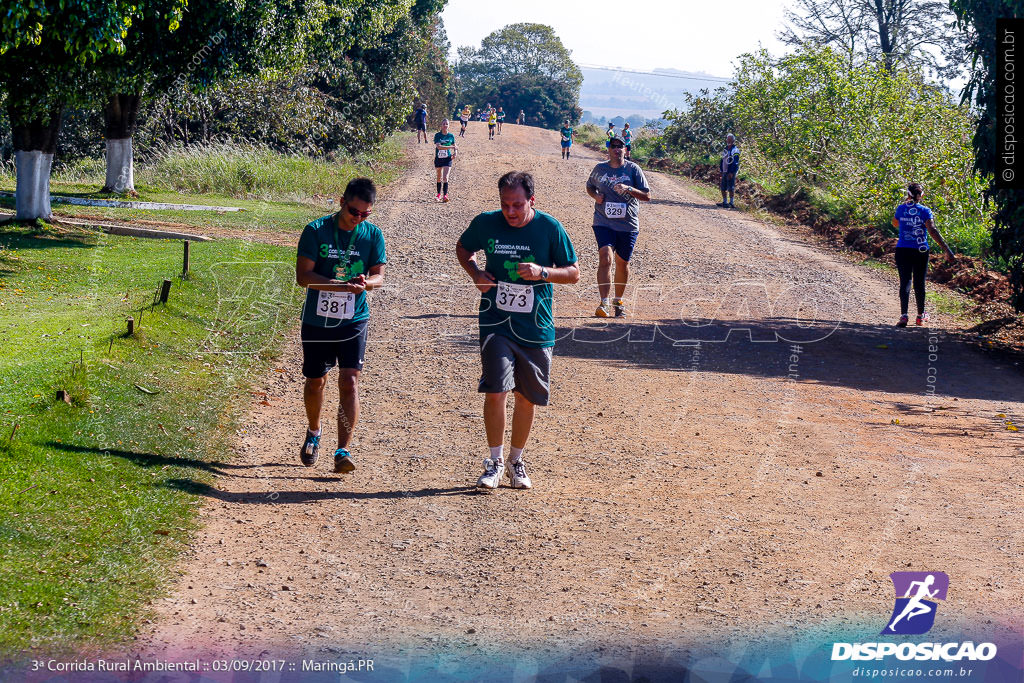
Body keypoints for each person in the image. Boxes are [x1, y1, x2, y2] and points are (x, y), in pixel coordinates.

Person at [456, 171, 580, 490]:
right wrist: (475, 273)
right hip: (495, 321)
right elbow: (463, 249)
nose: (510, 211)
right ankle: (495, 461)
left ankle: (515, 461)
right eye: (505, 204)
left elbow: (573, 273)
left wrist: (543, 272)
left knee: (526, 398)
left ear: (531, 201)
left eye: (517, 205)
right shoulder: (486, 223)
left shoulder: (550, 228)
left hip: (536, 327)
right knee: (496, 389)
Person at [296, 177, 387, 474]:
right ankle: (314, 430)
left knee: (349, 381)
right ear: (341, 202)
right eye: (353, 212)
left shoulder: (373, 235)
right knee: (316, 381)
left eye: (365, 214)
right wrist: (337, 285)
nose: (358, 218)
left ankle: (342, 450)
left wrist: (364, 284)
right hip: (318, 321)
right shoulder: (316, 230)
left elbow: (379, 276)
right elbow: (303, 276)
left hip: (354, 318)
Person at [586, 135, 651, 318]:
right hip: (603, 221)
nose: (616, 149)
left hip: (628, 224)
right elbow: (589, 186)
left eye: (620, 147)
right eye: (613, 146)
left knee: (622, 263)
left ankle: (618, 301)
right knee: (605, 258)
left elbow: (647, 196)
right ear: (608, 149)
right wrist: (595, 196)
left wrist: (629, 189)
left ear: (625, 149)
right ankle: (603, 303)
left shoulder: (633, 170)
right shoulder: (600, 169)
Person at [892, 182, 954, 327]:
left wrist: (906, 211)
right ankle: (920, 316)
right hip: (920, 250)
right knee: (919, 282)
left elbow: (895, 223)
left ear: (908, 194)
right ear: (922, 195)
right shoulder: (925, 211)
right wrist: (947, 249)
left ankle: (904, 316)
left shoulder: (901, 209)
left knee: (905, 281)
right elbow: (932, 230)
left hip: (903, 249)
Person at [433, 119, 457, 202]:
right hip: (438, 159)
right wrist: (451, 147)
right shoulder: (437, 135)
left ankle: (445, 195)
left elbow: (455, 145)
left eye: (447, 124)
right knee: (439, 178)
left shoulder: (451, 136)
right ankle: (438, 195)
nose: (445, 125)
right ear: (441, 125)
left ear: (449, 125)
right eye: (443, 124)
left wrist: (455, 153)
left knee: (445, 178)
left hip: (448, 159)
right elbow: (439, 147)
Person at [718, 134, 740, 208]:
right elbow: (722, 160)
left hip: (730, 171)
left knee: (731, 187)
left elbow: (735, 162)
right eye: (728, 139)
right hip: (724, 171)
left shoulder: (735, 150)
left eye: (730, 140)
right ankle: (724, 202)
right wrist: (721, 169)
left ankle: (731, 202)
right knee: (723, 187)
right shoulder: (725, 149)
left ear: (733, 141)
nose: (729, 141)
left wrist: (731, 172)